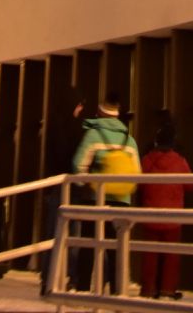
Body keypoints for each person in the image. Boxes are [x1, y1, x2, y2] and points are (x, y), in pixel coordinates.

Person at [72, 93, 141, 293]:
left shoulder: (93, 135)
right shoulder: (130, 140)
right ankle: (117, 290)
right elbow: (136, 172)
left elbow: (78, 166)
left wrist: (85, 184)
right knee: (116, 249)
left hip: (95, 200)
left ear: (100, 113)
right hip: (122, 201)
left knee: (88, 245)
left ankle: (84, 288)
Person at [137, 124, 193, 299]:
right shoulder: (180, 161)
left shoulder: (147, 160)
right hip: (173, 217)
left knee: (150, 255)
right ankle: (167, 290)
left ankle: (148, 289)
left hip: (150, 214)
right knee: (171, 256)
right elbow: (191, 186)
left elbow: (138, 183)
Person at [39, 88, 87, 295]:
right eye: (79, 105)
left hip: (54, 186)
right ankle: (69, 278)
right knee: (72, 235)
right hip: (72, 187)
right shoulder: (77, 129)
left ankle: (48, 278)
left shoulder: (53, 126)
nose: (81, 109)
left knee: (52, 233)